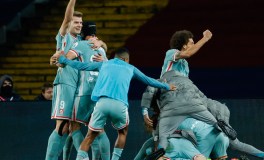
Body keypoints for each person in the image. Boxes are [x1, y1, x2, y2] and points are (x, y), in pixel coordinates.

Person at [57, 47, 176, 160]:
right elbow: (148, 80)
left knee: (90, 136)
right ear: (125, 59)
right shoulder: (130, 68)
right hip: (119, 105)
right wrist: (167, 86)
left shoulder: (104, 64)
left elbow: (80, 65)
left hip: (102, 103)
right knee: (122, 133)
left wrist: (63, 60)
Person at [141, 71, 264, 160]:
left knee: (165, 139)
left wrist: (145, 112)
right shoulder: (189, 83)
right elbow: (203, 98)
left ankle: (161, 152)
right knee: (234, 142)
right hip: (213, 116)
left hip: (185, 121)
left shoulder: (160, 82)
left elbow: (149, 92)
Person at [45, 0, 106, 159]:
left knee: (72, 125)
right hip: (64, 83)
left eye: (80, 22)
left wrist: (100, 43)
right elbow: (66, 19)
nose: (79, 25)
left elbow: (100, 45)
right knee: (62, 125)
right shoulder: (64, 36)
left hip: (78, 86)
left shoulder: (80, 40)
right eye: (76, 22)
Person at [60, 21, 110, 160]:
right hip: (99, 94)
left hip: (84, 91)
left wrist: (58, 59)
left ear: (82, 33)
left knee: (74, 125)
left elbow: (66, 59)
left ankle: (83, 158)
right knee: (98, 130)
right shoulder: (101, 49)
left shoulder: (80, 44)